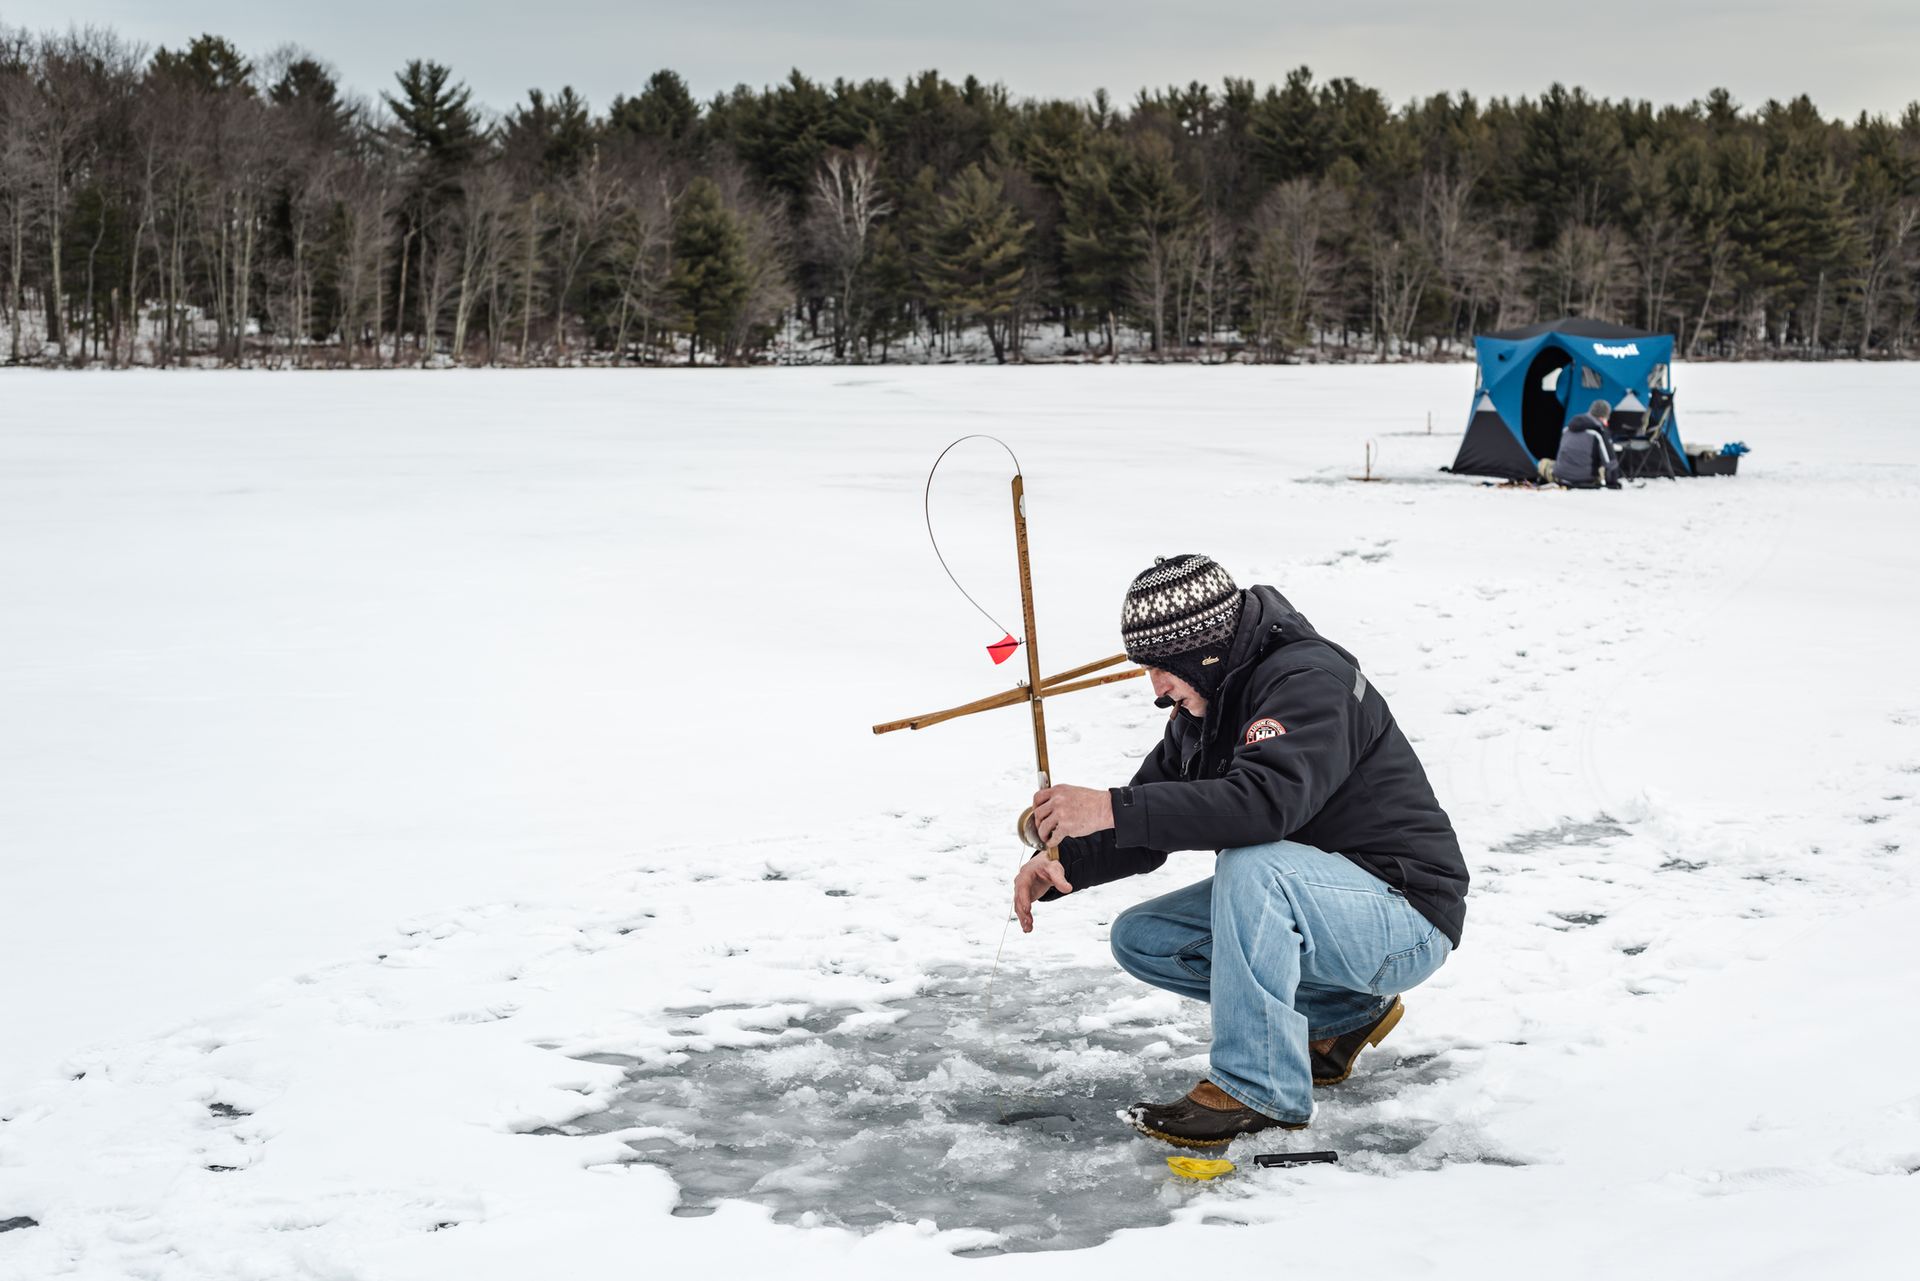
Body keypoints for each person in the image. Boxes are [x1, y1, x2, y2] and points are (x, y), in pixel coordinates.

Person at [1012, 555, 1468, 1148]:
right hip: (1321, 904)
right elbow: (1153, 813)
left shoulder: (1308, 682)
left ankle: (1260, 1089)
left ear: (1202, 651)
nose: (1157, 689)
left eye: (1162, 669)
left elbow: (1266, 807)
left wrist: (1108, 806)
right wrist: (1063, 863)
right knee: (1144, 936)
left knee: (1253, 864)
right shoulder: (1208, 704)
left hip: (1403, 914)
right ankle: (1339, 1015)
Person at [1554, 398, 1621, 489]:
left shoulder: (1567, 429)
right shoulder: (1598, 432)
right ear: (1603, 417)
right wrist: (1613, 483)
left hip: (1561, 475)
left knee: (1544, 463)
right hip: (1584, 477)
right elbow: (1610, 462)